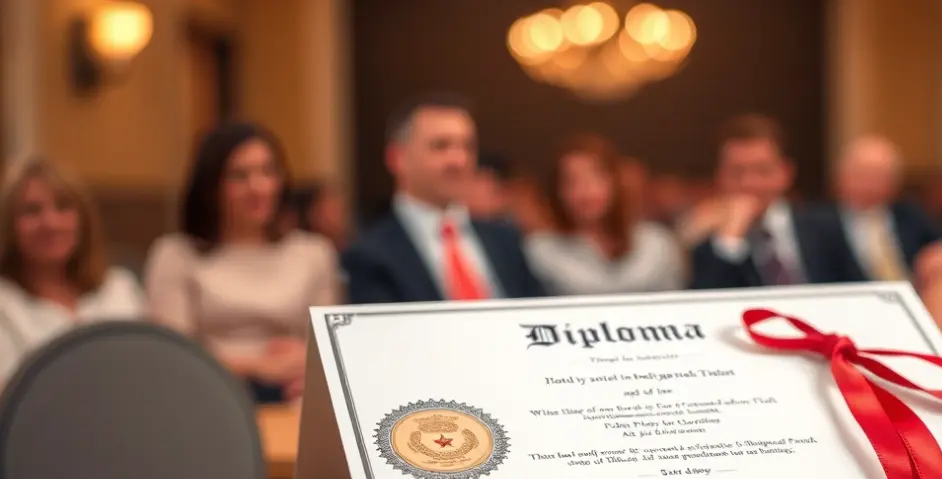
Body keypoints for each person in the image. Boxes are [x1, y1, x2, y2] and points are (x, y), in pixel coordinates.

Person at [799, 136, 942, 429]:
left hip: (919, 307)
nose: (870, 184)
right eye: (863, 174)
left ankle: (921, 364)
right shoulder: (815, 222)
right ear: (841, 176)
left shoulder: (907, 215)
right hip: (863, 316)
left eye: (880, 176)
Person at [144, 122, 341, 403]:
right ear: (211, 187)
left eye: (268, 172)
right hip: (206, 395)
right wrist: (257, 367)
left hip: (293, 396)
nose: (257, 187)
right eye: (239, 176)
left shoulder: (313, 252)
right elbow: (172, 354)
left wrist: (309, 362)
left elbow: (329, 346)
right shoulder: (176, 254)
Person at [343, 92, 543, 303]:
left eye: (467, 146)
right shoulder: (370, 255)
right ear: (398, 158)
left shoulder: (505, 240)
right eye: (440, 146)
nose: (459, 160)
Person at [0, 157, 144, 382]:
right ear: (9, 226)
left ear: (83, 220)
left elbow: (150, 368)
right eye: (32, 210)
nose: (50, 223)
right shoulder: (5, 304)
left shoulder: (119, 287)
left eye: (63, 206)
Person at [525, 133, 685, 295]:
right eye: (572, 181)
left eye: (596, 176)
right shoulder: (542, 250)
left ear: (616, 182)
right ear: (557, 192)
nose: (586, 190)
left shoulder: (658, 243)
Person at [687, 114, 822, 287]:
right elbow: (710, 298)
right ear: (719, 177)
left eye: (762, 170)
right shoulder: (706, 244)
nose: (749, 183)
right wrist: (730, 240)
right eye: (736, 172)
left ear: (786, 172)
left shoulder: (824, 228)